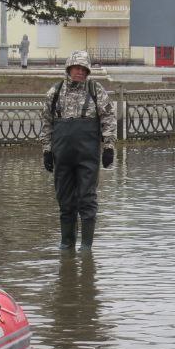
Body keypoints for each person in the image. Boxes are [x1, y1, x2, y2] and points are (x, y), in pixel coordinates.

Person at [41, 50, 117, 251]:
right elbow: (46, 123)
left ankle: (86, 248)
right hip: (62, 156)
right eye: (77, 68)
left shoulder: (96, 90)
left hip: (87, 156)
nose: (80, 72)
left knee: (87, 199)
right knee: (65, 201)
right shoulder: (55, 92)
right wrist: (47, 151)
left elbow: (108, 118)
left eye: (84, 69)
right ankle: (66, 245)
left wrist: (108, 147)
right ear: (69, 69)